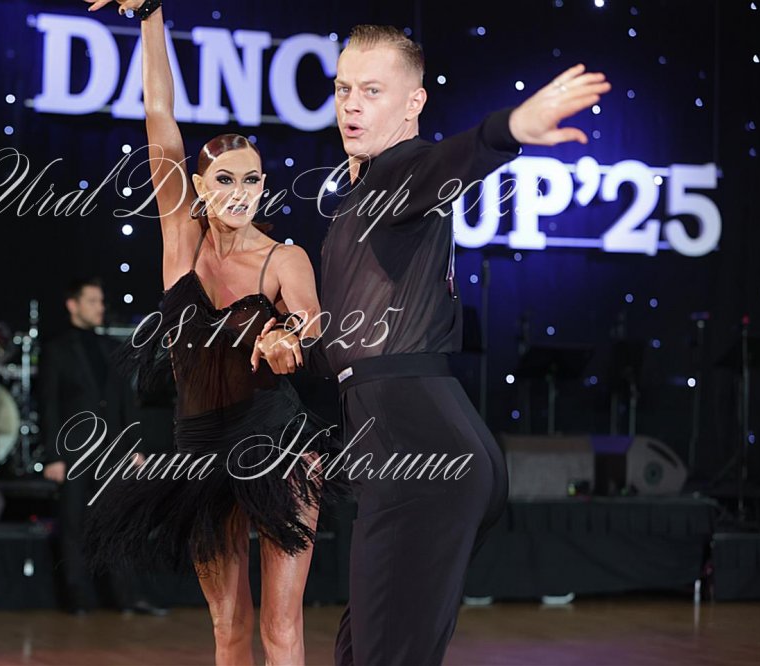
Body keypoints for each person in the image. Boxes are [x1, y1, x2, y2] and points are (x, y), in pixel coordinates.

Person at [253, 24, 612, 665]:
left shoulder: (402, 172)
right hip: (414, 440)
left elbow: (450, 162)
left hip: (417, 448)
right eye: (343, 89)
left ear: (413, 102)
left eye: (371, 90)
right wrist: (290, 339)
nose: (351, 105)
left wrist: (510, 128)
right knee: (365, 647)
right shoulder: (358, 200)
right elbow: (346, 349)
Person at [81, 1, 346, 663]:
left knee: (280, 629)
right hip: (198, 448)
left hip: (277, 444)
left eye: (251, 179)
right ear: (198, 185)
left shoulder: (283, 258)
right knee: (227, 628)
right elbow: (158, 115)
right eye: (225, 179)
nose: (239, 191)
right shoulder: (180, 240)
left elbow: (309, 318)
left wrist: (288, 339)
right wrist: (149, 15)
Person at [39, 276, 167, 616]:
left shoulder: (112, 348)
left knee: (118, 521)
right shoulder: (56, 350)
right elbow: (48, 405)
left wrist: (134, 447)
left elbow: (126, 402)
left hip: (113, 449)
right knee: (72, 523)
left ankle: (127, 597)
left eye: (100, 301)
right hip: (74, 450)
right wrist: (53, 456)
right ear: (73, 305)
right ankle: (77, 597)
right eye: (92, 301)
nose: (100, 307)